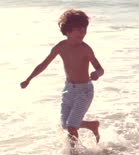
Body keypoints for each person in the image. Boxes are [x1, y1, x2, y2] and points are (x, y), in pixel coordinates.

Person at [20, 9, 104, 146]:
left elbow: (100, 69)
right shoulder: (61, 47)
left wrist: (97, 74)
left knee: (71, 127)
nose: (83, 32)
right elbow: (43, 64)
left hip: (84, 91)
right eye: (79, 29)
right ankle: (92, 125)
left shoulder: (85, 49)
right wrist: (29, 79)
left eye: (84, 29)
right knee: (65, 124)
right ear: (68, 31)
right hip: (69, 89)